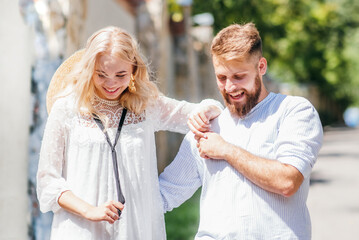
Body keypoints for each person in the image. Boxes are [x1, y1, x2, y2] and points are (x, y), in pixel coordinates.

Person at [36, 26, 222, 240]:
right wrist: (90, 210)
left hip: (137, 228)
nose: (111, 83)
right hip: (82, 228)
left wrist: (209, 108)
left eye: (120, 74)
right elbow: (47, 181)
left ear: (134, 70)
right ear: (89, 70)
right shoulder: (67, 109)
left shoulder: (147, 106)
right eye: (101, 74)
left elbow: (198, 113)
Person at [159, 23, 323, 239]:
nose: (229, 87)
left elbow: (287, 181)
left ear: (261, 67)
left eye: (238, 77)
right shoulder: (207, 125)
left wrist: (225, 150)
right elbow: (165, 193)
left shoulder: (293, 112)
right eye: (222, 78)